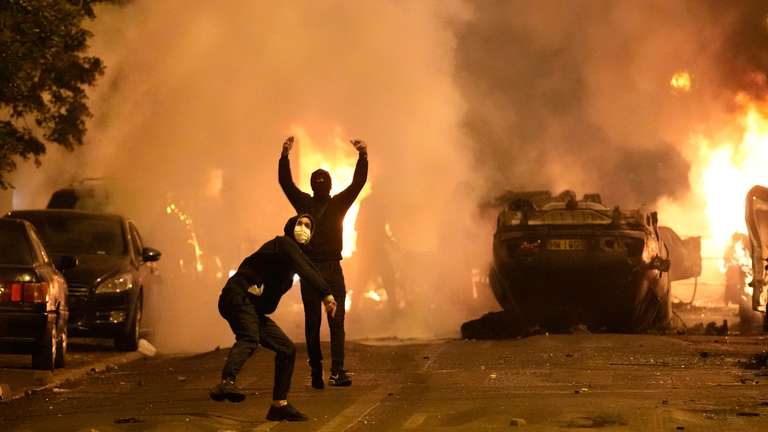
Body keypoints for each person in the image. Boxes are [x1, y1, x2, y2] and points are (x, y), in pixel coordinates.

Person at [210, 214, 337, 422]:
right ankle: (227, 382)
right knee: (249, 337)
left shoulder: (288, 271)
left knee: (286, 349)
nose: (303, 229)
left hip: (251, 306)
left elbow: (302, 270)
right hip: (237, 295)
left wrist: (261, 292)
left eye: (308, 226)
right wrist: (326, 294)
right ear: (290, 226)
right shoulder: (283, 244)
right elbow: (305, 268)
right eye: (300, 224)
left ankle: (279, 405)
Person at [278, 135, 368, 388]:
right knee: (336, 323)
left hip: (308, 271)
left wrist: (284, 155)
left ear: (312, 186)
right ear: (329, 186)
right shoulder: (338, 203)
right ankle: (337, 372)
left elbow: (285, 182)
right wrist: (363, 155)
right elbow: (358, 183)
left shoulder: (303, 203)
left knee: (312, 323)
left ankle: (316, 373)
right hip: (332, 270)